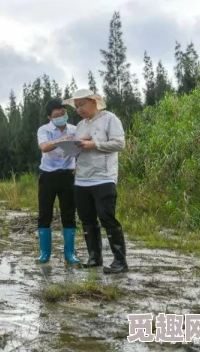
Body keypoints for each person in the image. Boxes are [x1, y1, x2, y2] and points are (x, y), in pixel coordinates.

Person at [63, 89, 128, 274]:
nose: (79, 109)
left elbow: (119, 144)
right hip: (82, 179)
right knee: (87, 220)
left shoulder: (110, 119)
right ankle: (94, 258)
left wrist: (95, 144)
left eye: (82, 104)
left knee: (107, 218)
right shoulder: (81, 125)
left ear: (94, 101)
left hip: (104, 177)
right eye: (76, 106)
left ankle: (120, 262)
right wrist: (73, 145)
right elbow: (80, 149)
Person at [35, 99, 80, 265]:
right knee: (44, 213)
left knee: (69, 213)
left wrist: (78, 165)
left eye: (63, 113)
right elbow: (44, 147)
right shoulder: (44, 130)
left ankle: (69, 254)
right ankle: (44, 253)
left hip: (68, 175)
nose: (61, 117)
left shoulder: (75, 129)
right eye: (56, 115)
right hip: (47, 175)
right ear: (50, 117)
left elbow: (81, 150)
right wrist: (61, 140)